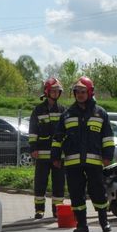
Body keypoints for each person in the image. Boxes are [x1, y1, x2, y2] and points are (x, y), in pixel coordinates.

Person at [51, 76, 115, 232]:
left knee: (98, 191)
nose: (79, 94)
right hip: (73, 162)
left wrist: (108, 156)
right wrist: (55, 157)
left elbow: (107, 138)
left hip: (94, 161)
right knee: (76, 193)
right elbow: (58, 138)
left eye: (83, 91)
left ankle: (104, 222)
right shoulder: (67, 114)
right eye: (77, 91)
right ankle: (81, 224)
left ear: (90, 92)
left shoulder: (100, 113)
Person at [29, 77, 66, 219]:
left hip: (58, 155)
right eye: (53, 91)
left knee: (58, 183)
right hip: (42, 154)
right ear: (47, 92)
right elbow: (33, 131)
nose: (56, 93)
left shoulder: (63, 110)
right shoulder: (38, 110)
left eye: (58, 91)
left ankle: (57, 210)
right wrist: (33, 148)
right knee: (40, 183)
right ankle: (39, 210)